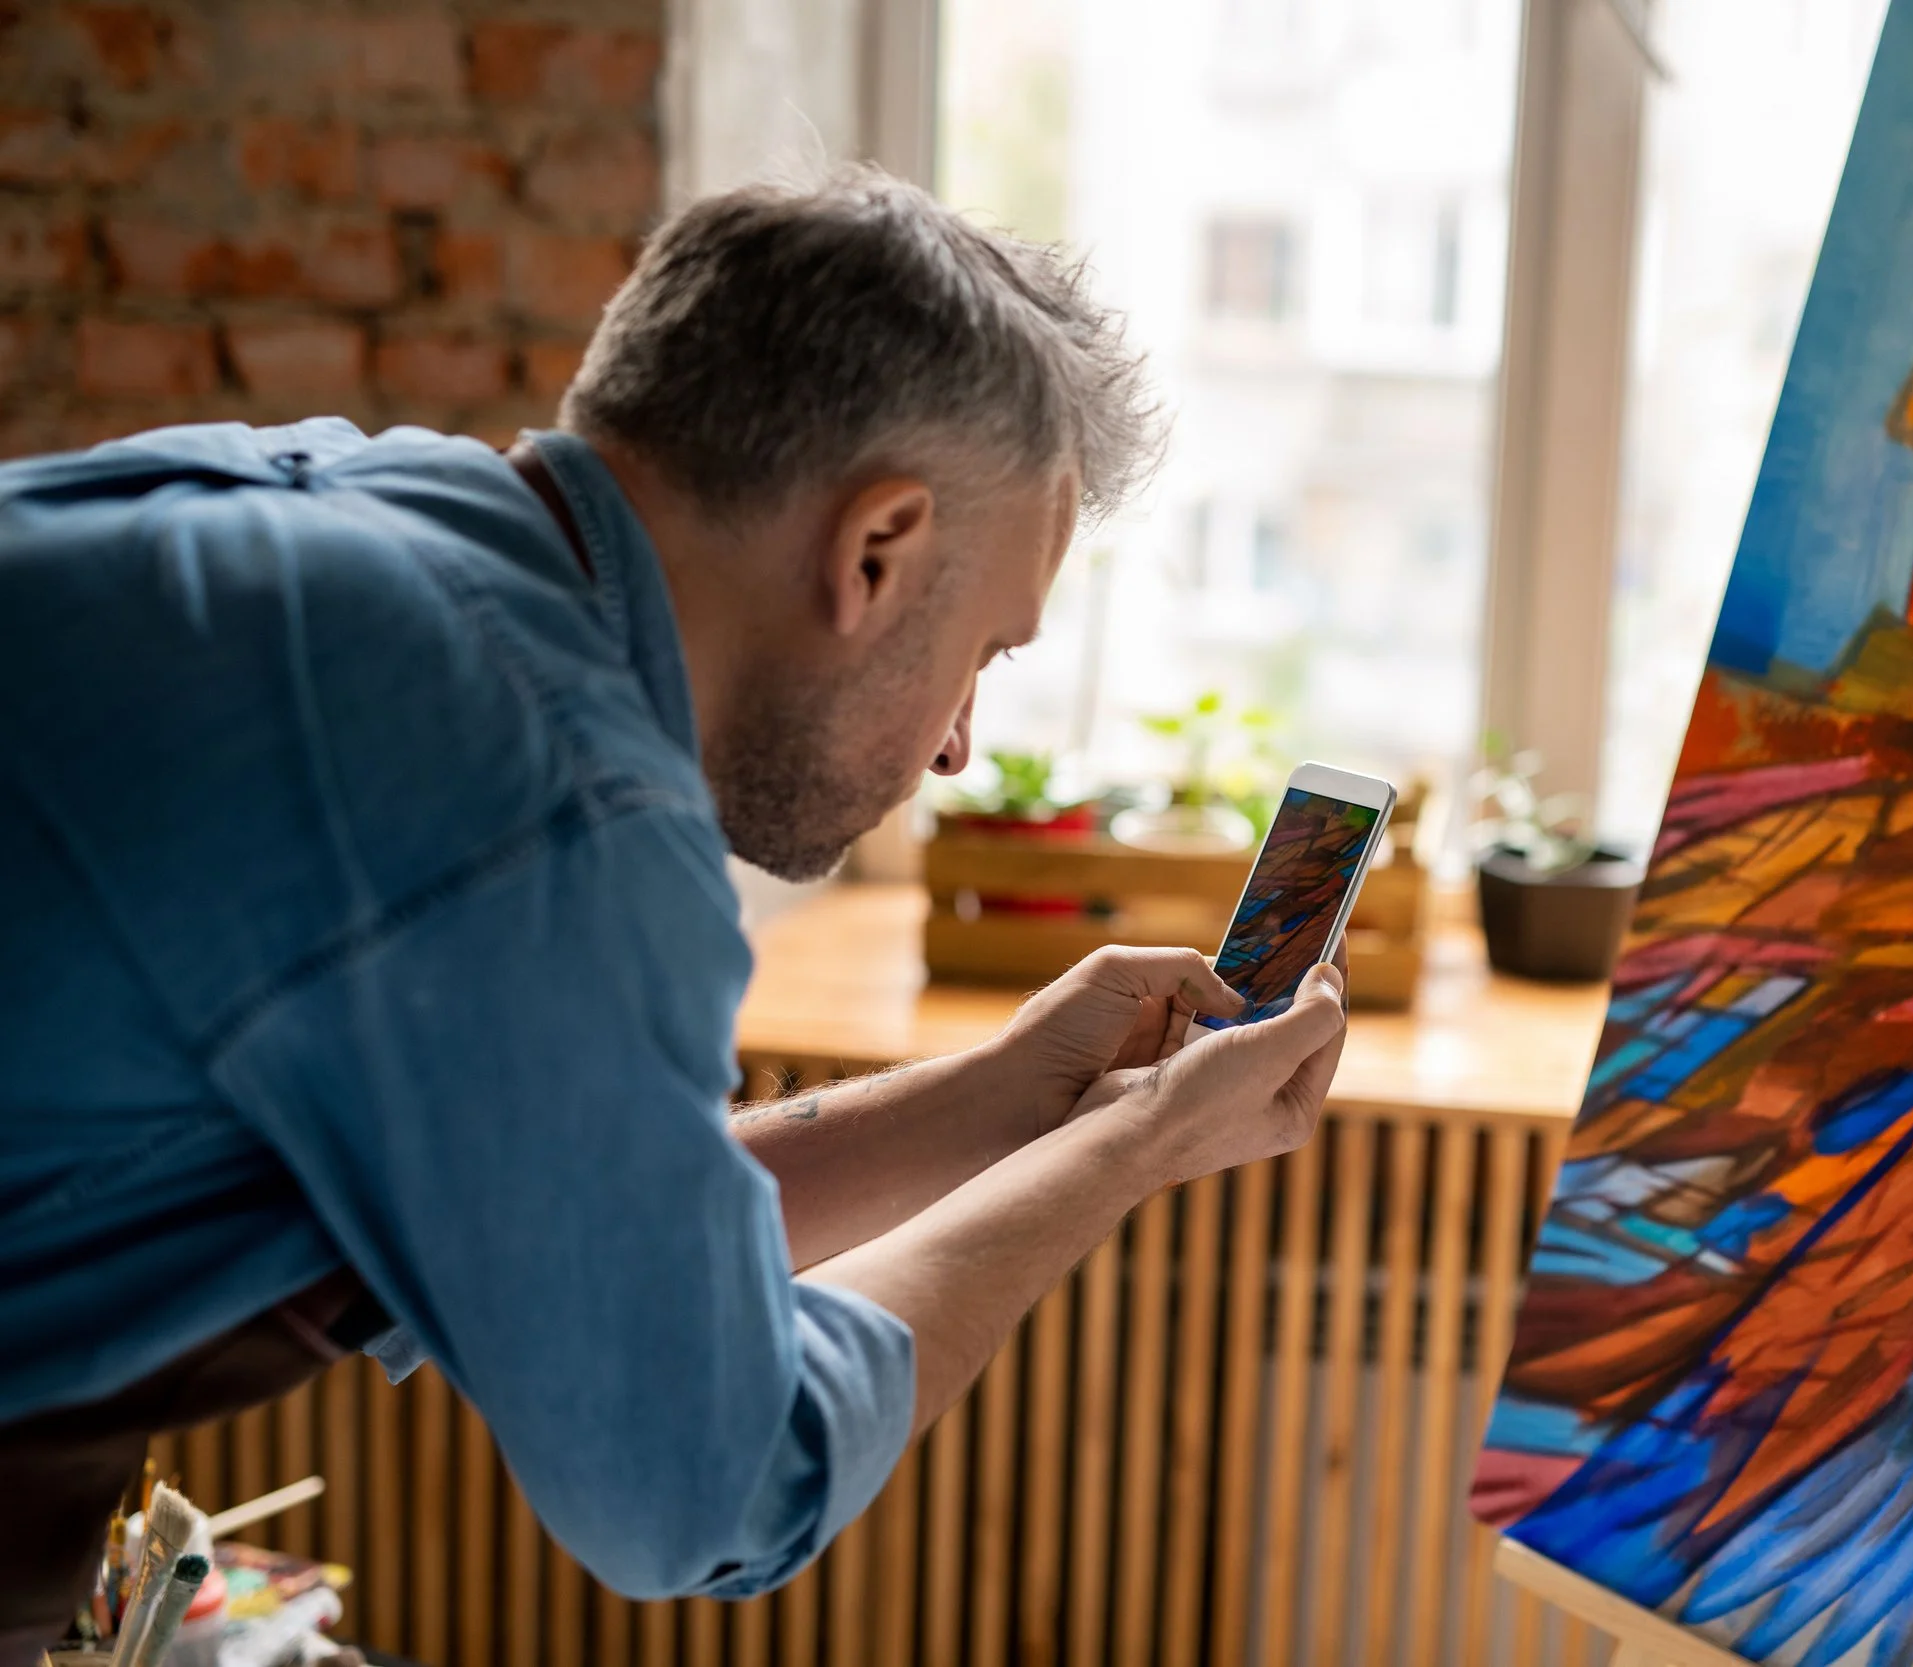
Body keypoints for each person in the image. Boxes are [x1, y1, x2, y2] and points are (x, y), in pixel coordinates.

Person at [0, 165, 1350, 1653]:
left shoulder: (341, 509)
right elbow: (716, 1484)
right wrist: (1130, 1150)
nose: (961, 739)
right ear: (876, 551)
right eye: (984, 649)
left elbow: (617, 1236)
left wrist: (1027, 1096)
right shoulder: (543, 793)